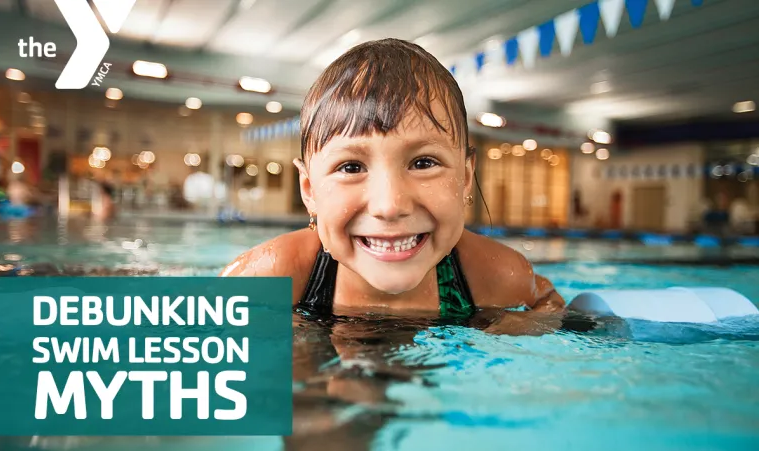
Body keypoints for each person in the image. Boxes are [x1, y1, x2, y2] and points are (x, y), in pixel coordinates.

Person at [221, 38, 565, 320]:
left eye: (423, 162)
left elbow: (548, 303)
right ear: (309, 190)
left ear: (464, 178)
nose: (389, 206)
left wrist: (514, 331)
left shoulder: (492, 275)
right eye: (352, 167)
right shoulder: (273, 276)